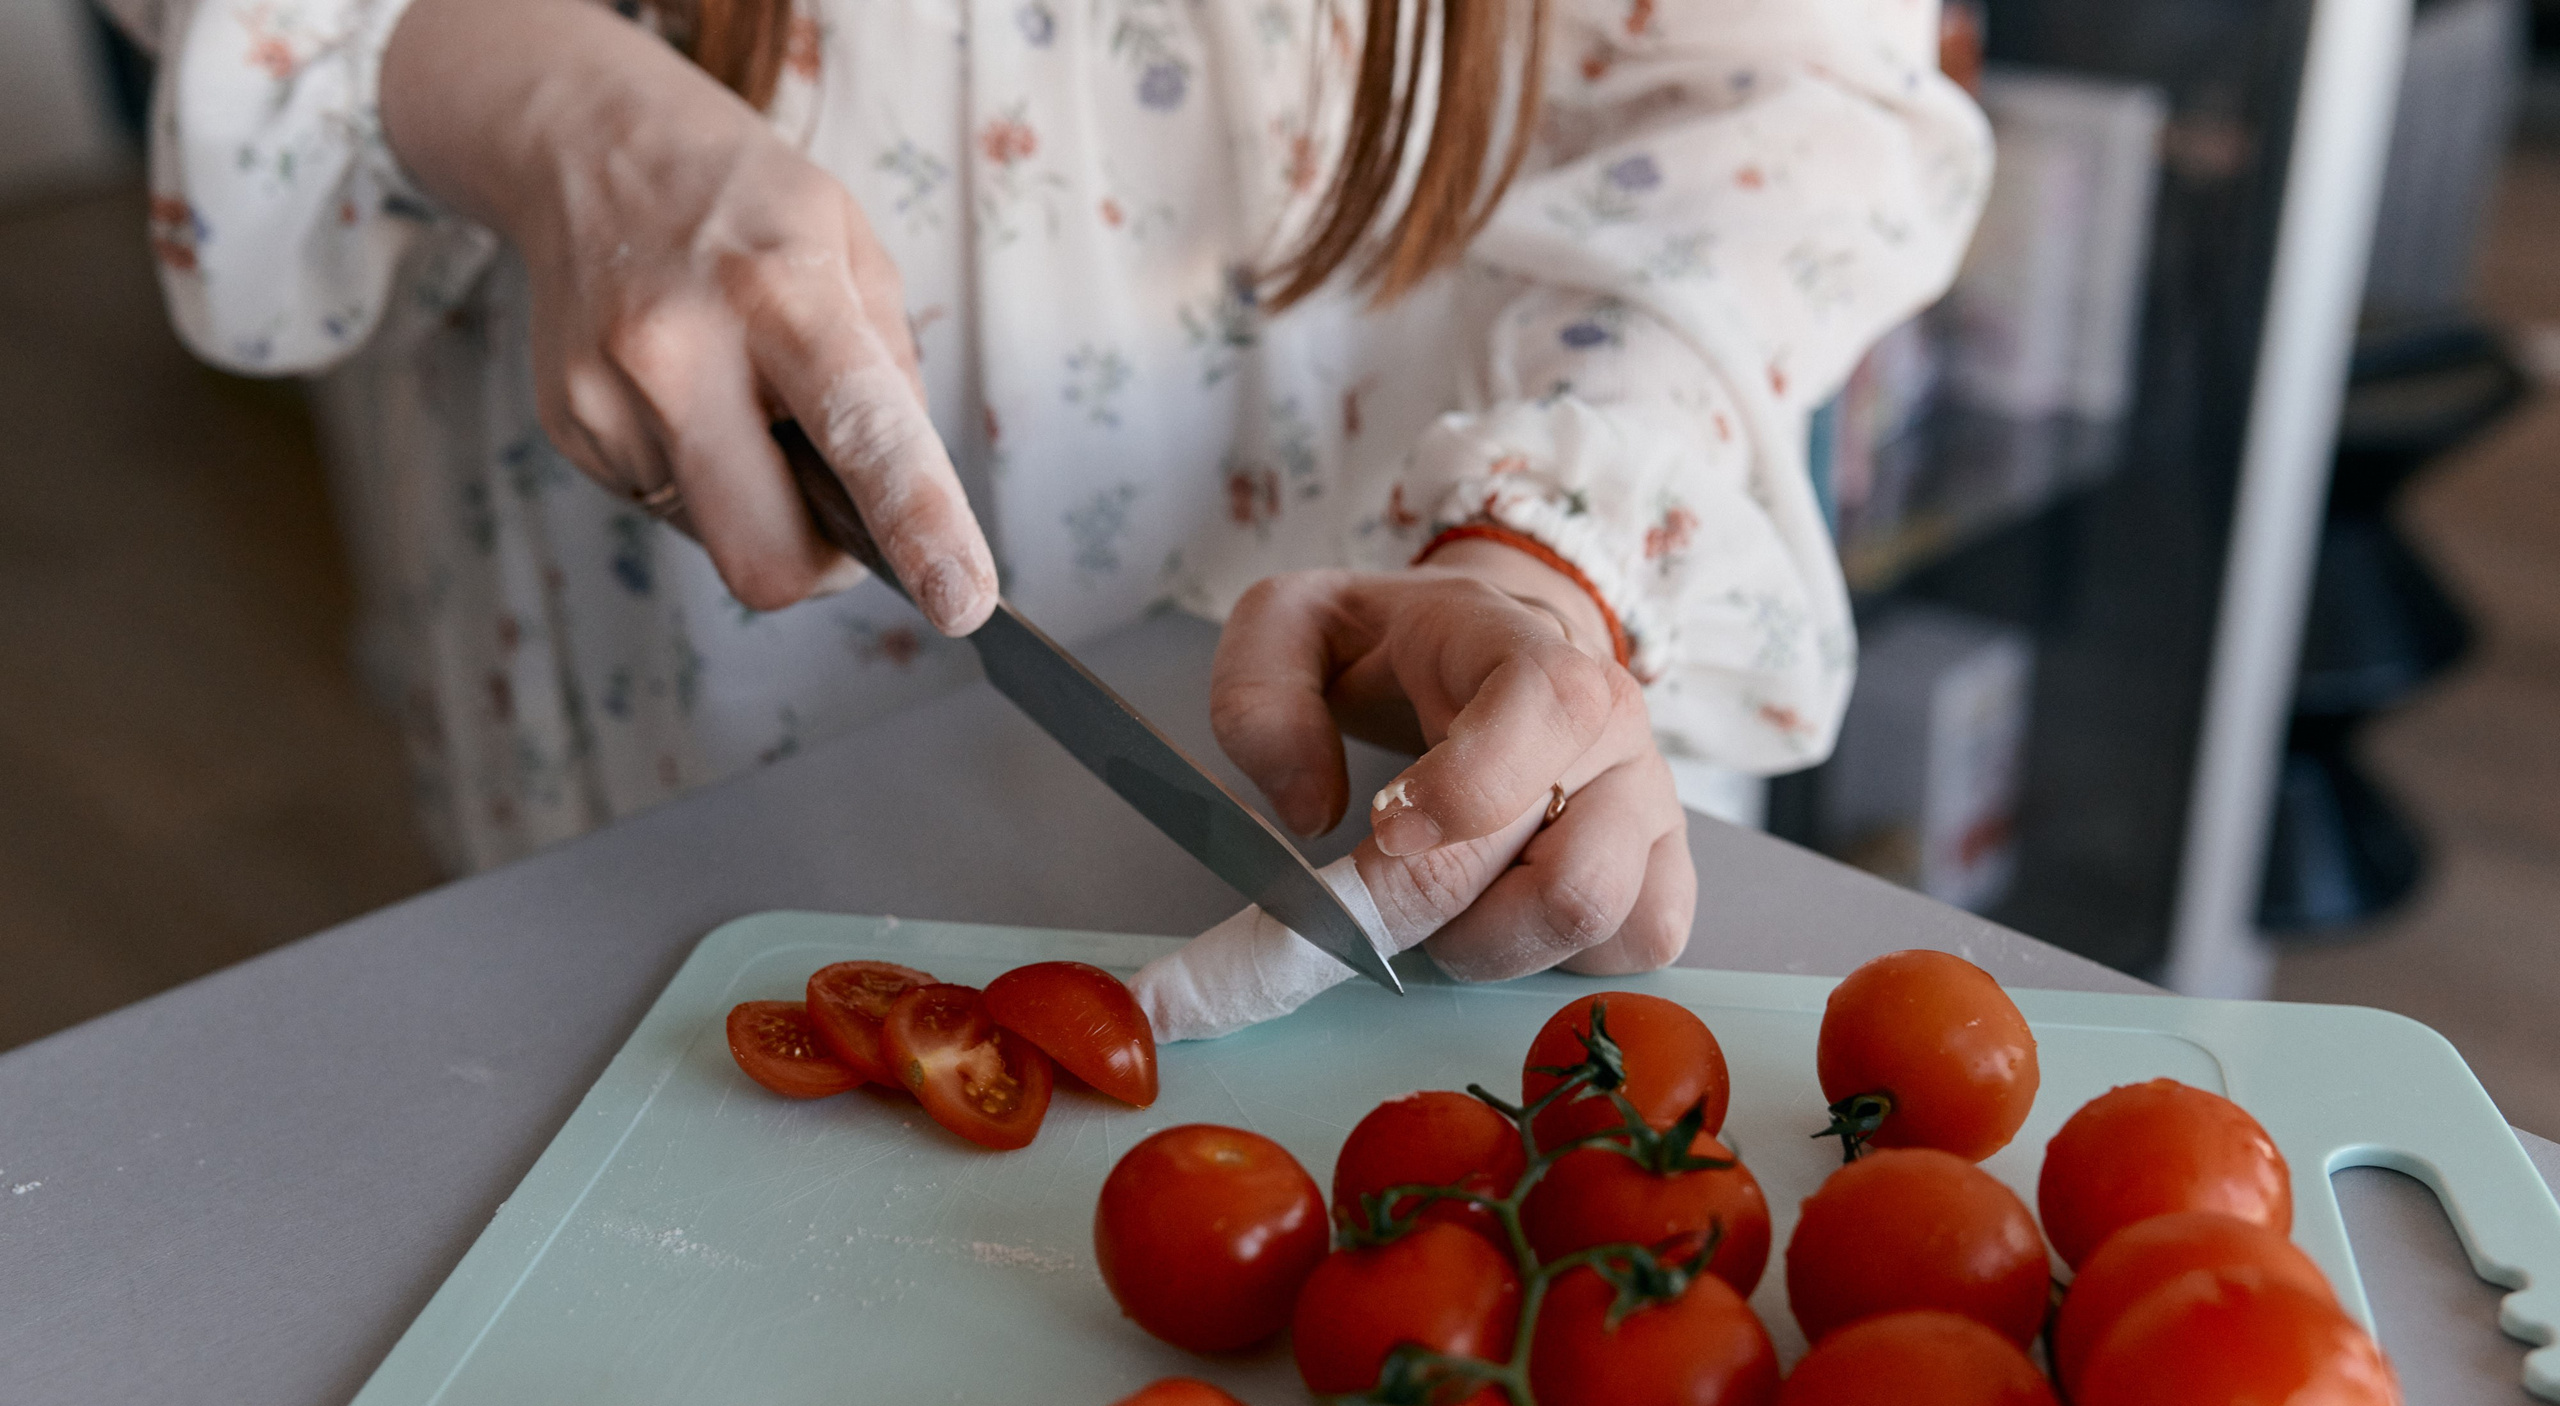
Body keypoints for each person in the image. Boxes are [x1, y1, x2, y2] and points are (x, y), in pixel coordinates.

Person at [108, 0, 1988, 983]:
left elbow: (1774, 90)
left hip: (1472, 640)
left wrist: (1544, 552)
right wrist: (539, 98)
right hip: (674, 708)